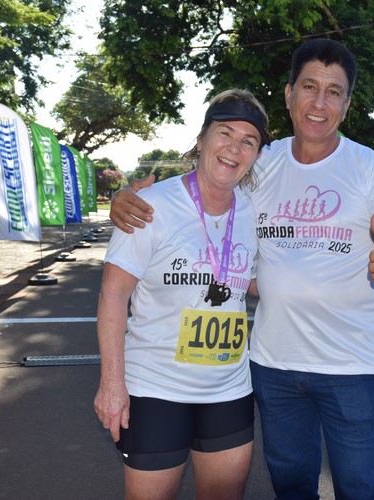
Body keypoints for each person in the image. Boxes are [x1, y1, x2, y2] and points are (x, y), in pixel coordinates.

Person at [109, 39, 374, 499]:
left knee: (363, 489)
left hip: (350, 366)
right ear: (288, 93)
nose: (319, 103)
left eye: (334, 92)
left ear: (347, 103)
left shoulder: (371, 167)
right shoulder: (259, 163)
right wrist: (126, 199)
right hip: (271, 368)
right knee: (291, 487)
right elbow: (203, 197)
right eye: (309, 87)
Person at [94, 89, 270, 500]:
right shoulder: (151, 205)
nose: (234, 148)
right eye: (225, 133)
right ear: (201, 139)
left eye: (249, 141)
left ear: (257, 156)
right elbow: (113, 294)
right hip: (156, 390)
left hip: (229, 389)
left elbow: (257, 279)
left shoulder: (253, 210)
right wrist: (111, 384)